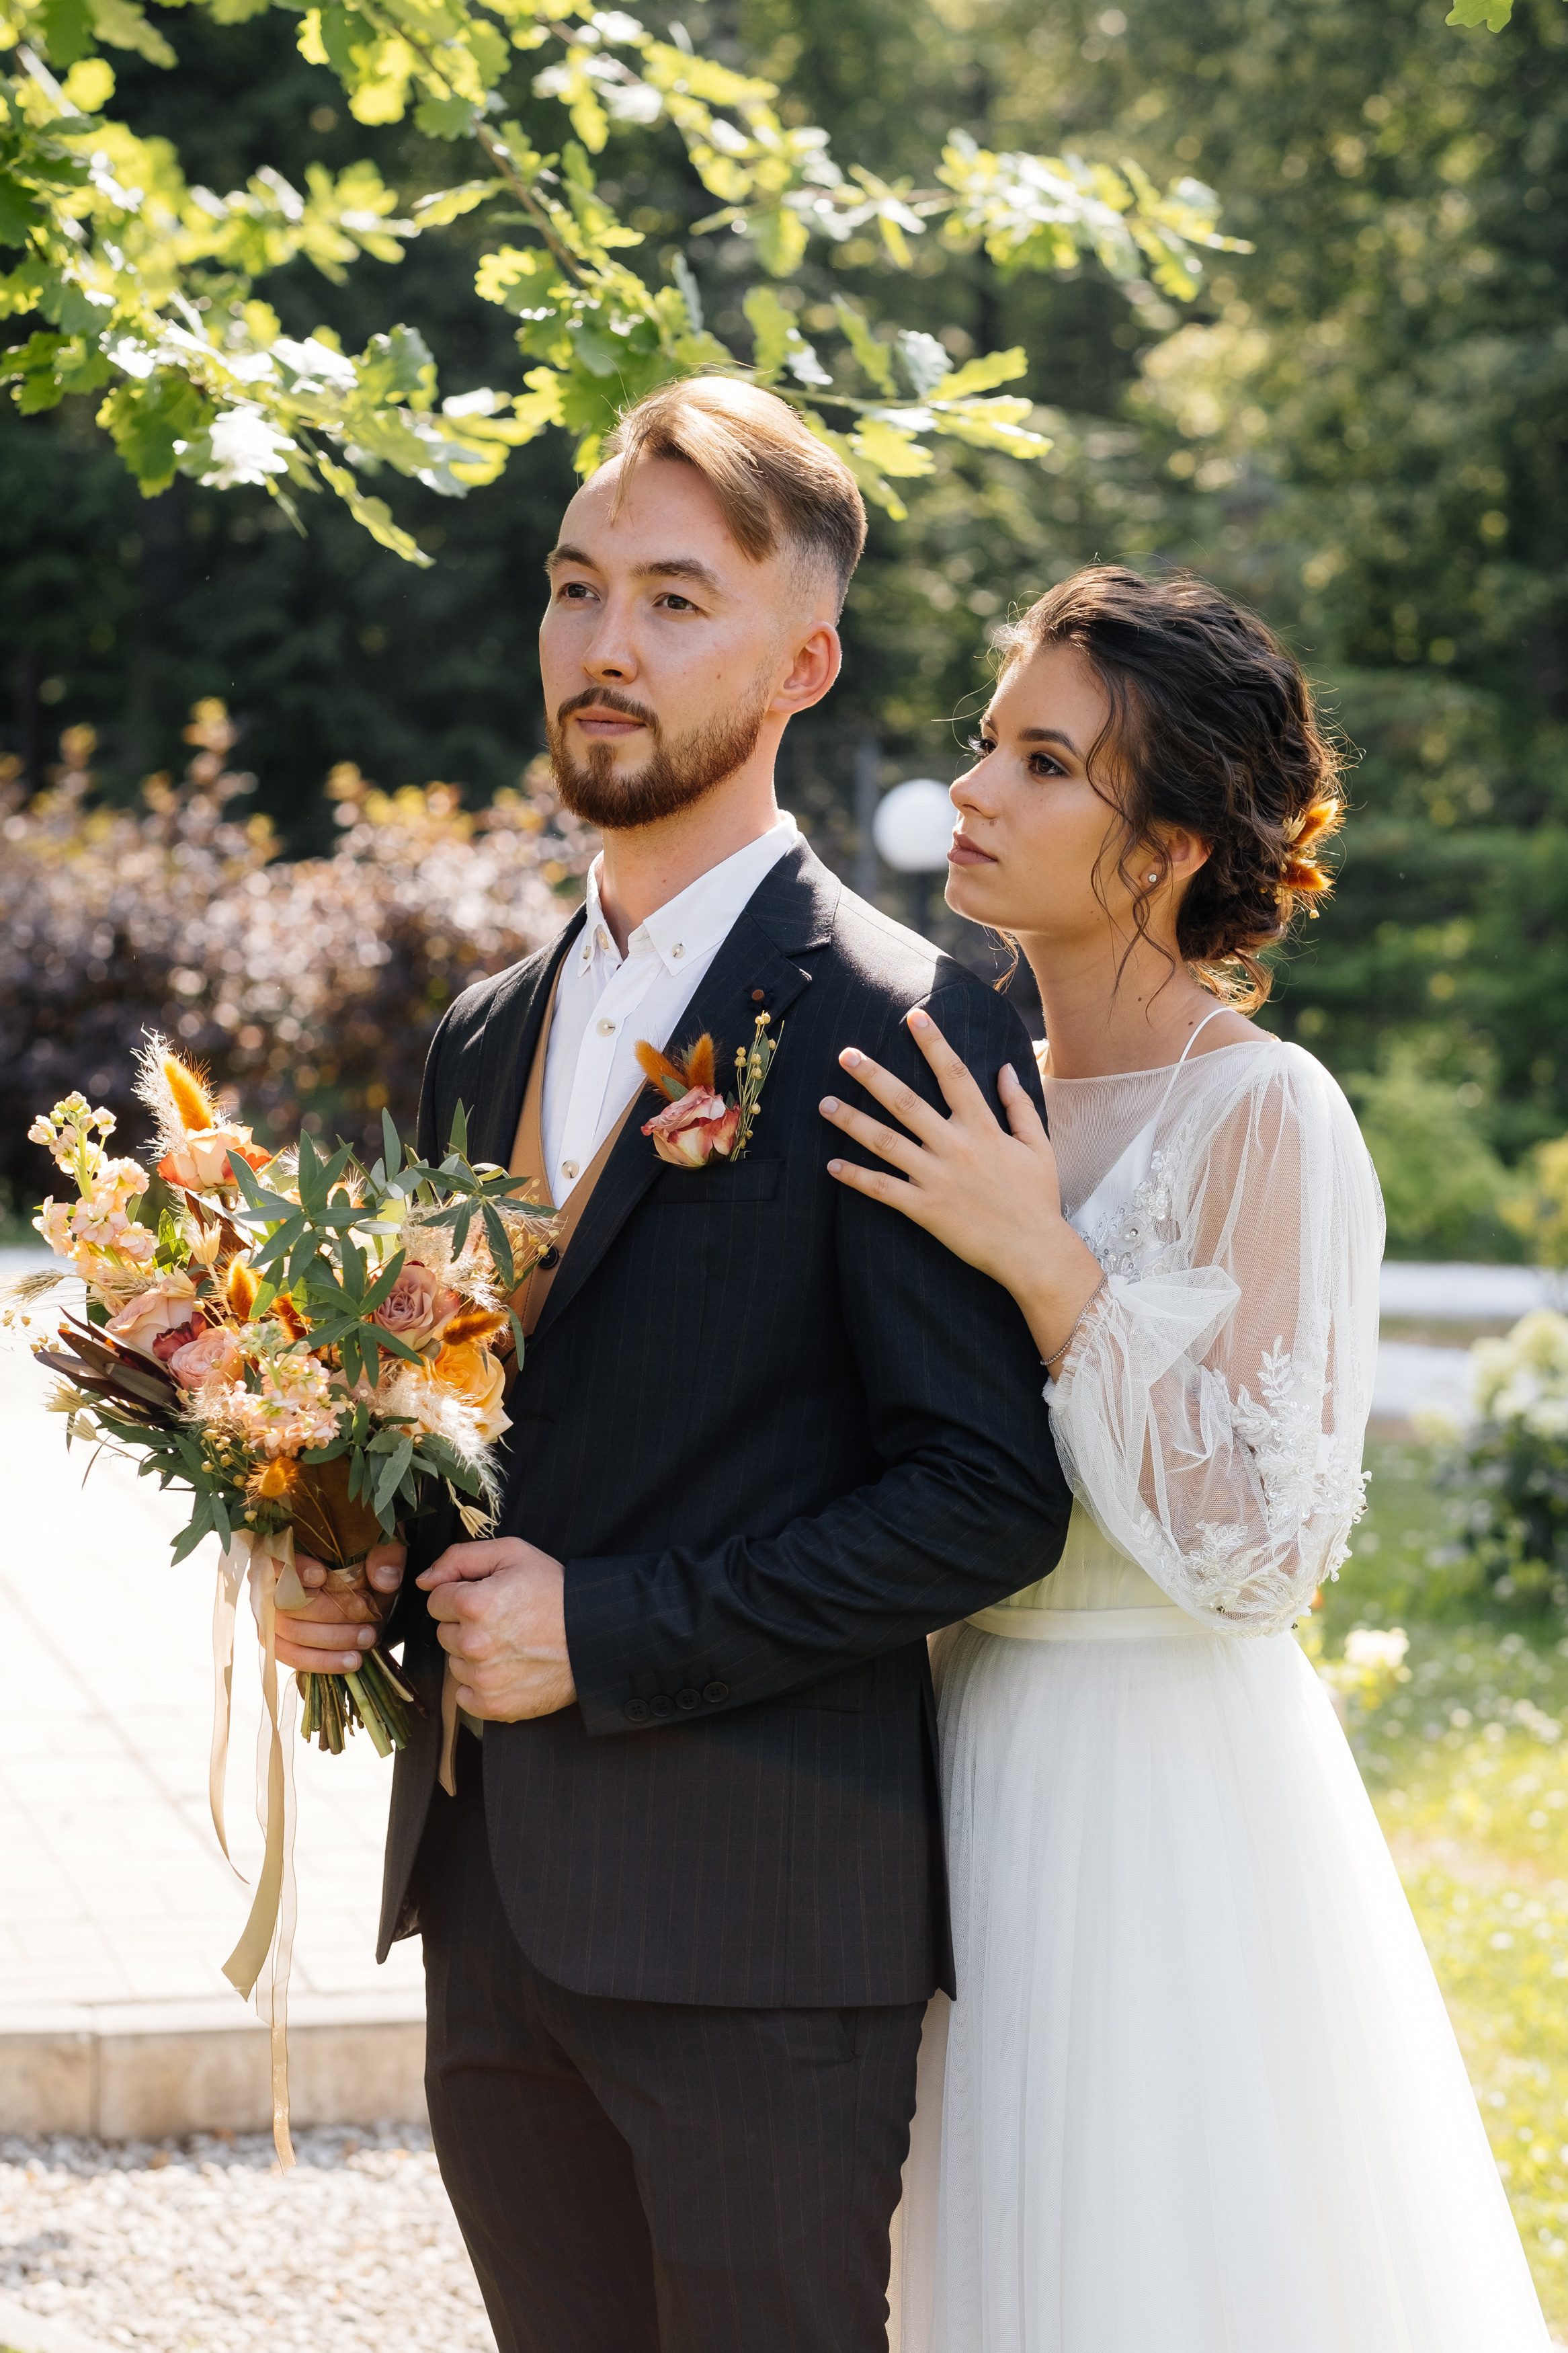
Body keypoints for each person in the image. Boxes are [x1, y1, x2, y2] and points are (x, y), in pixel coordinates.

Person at [270, 376, 1074, 2353]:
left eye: (674, 599)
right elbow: (484, 1426)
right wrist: (343, 1559)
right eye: (575, 587)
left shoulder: (905, 1022)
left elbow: (987, 1499)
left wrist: (608, 1630)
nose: (604, 644)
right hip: (490, 1918)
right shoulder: (484, 1032)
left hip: (759, 1948)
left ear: (804, 662)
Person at [818, 565, 1553, 2352]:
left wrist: (1051, 1266)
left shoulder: (1267, 1112)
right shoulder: (956, 1078)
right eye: (988, 742)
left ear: (1162, 850)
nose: (974, 789)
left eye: (1044, 763)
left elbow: (1260, 1557)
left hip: (1155, 1790)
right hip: (937, 1758)